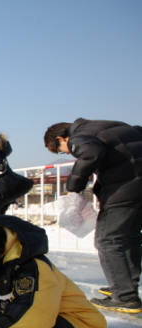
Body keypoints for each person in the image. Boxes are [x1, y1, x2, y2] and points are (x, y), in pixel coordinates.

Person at [44, 119, 142, 314]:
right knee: (129, 238)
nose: (69, 153)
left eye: (63, 150)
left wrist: (73, 187)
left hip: (124, 188)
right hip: (136, 186)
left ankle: (124, 296)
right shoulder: (109, 126)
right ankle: (124, 285)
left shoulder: (80, 136)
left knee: (108, 240)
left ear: (61, 138)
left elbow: (90, 153)